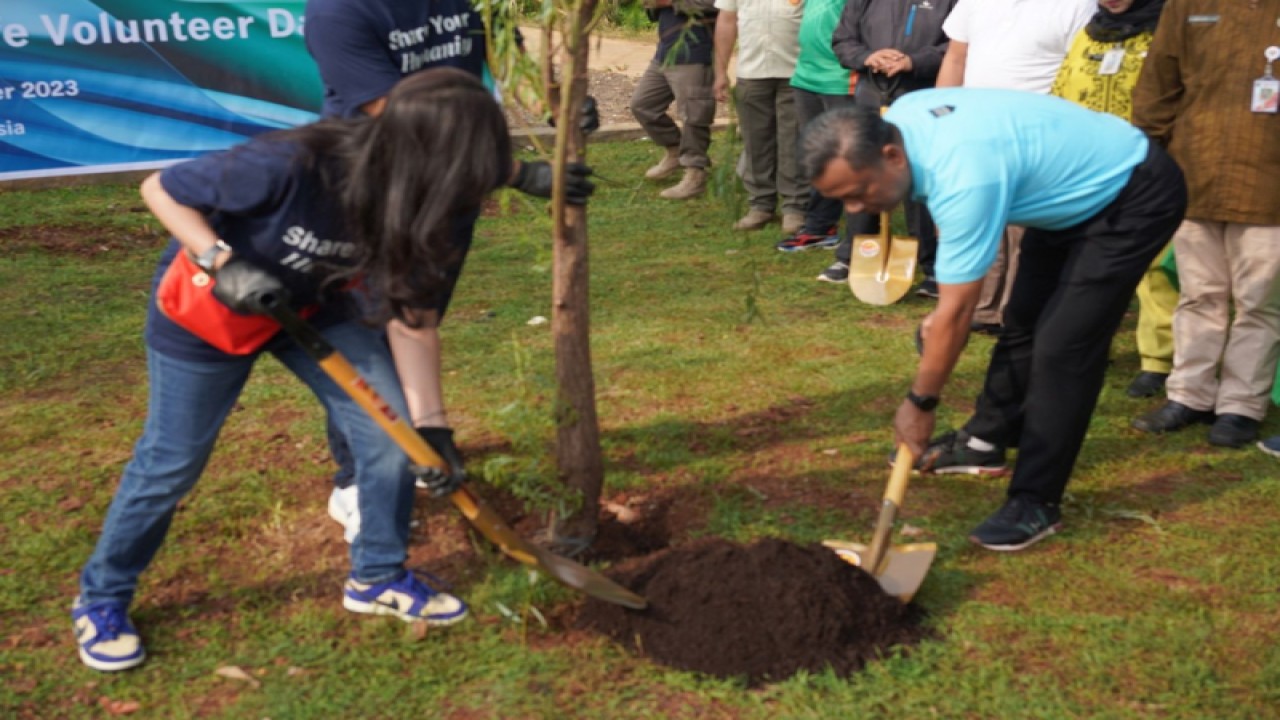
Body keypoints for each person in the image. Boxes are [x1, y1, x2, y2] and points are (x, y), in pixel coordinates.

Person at [71, 69, 569, 672]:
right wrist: (220, 260)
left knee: (389, 435)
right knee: (172, 462)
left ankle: (377, 576)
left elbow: (413, 320)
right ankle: (101, 597)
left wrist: (432, 429)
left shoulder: (434, 203)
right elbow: (161, 189)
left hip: (317, 309)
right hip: (212, 307)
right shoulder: (295, 161)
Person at [802, 89, 1186, 550]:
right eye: (840, 199)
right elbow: (953, 305)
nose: (854, 209)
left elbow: (958, 313)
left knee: (1063, 348)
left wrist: (920, 404)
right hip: (1062, 199)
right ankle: (985, 441)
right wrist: (943, 317)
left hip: (1131, 193)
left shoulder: (963, 176)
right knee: (1023, 320)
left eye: (858, 192)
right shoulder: (901, 119)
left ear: (892, 156)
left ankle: (1036, 500)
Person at [304, 0, 597, 543]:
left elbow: (508, 60)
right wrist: (509, 171)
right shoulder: (338, 11)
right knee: (369, 339)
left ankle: (414, 439)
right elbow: (396, 118)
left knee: (417, 320)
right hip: (375, 191)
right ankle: (355, 482)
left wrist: (560, 106)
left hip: (449, 193)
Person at [1130, 0, 1280, 448]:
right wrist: (1150, 158)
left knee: (1259, 303)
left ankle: (1241, 406)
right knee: (1198, 294)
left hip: (1270, 185)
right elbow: (1158, 82)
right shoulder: (1188, 4)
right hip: (1195, 175)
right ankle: (1188, 395)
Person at [936, 0, 1095, 332]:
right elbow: (956, 56)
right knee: (982, 218)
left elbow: (1080, 69)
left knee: (1026, 228)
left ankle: (1016, 310)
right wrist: (940, 117)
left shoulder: (1077, 5)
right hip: (975, 128)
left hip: (1038, 132)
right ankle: (982, 307)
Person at [1049, 0, 1172, 398]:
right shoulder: (1089, 33)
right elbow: (1062, 94)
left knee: (1155, 270)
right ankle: (1088, 344)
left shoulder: (1166, 32)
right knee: (1087, 264)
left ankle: (1159, 360)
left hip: (1148, 167)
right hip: (1089, 170)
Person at [821, 0, 957, 291]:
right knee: (865, 173)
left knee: (918, 179)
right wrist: (867, 56)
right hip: (871, 96)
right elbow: (843, 40)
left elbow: (958, 47)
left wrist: (914, 61)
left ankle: (931, 265)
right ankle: (853, 255)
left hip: (923, 99)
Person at [713, 0, 808, 234]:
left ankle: (795, 206)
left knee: (793, 142)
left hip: (796, 72)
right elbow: (726, 21)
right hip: (751, 73)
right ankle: (760, 205)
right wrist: (720, 72)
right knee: (755, 142)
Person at [771, 0, 857, 255]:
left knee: (845, 156)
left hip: (841, 80)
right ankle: (820, 227)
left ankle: (861, 232)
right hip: (806, 77)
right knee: (817, 154)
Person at [630, 0, 718, 201]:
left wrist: (671, 2)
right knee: (643, 105)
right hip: (665, 52)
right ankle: (675, 150)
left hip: (695, 51)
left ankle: (695, 173)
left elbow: (718, 4)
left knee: (694, 115)